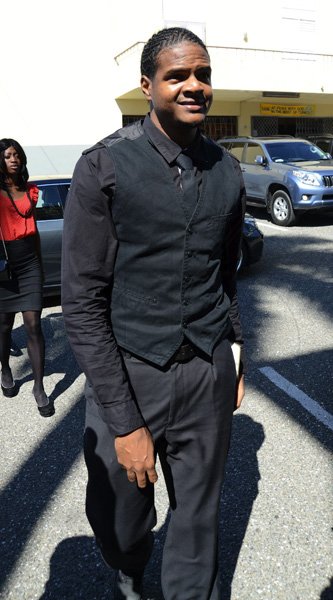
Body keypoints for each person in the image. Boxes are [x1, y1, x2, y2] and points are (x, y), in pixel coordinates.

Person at [62, 26, 246, 599]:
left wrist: (235, 352)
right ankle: (128, 561)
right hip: (130, 368)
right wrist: (124, 420)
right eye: (178, 76)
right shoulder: (104, 168)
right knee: (121, 520)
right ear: (148, 86)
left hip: (205, 370)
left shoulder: (228, 171)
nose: (194, 86)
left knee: (197, 520)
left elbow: (226, 274)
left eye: (203, 75)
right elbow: (83, 302)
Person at [0, 139, 54, 417]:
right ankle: (5, 368)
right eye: (8, 155)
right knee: (5, 326)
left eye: (17, 155)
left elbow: (33, 233)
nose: (14, 159)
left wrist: (41, 268)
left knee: (33, 325)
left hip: (30, 261)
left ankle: (39, 387)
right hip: (4, 265)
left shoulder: (31, 191)